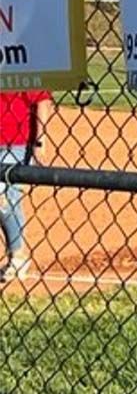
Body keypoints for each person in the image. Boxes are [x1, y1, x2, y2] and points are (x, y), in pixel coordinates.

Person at [0, 89, 52, 281]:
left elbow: (42, 101)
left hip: (17, 144)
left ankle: (18, 255)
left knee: (3, 195)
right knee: (10, 198)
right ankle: (17, 254)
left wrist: (40, 142)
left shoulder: (21, 67)